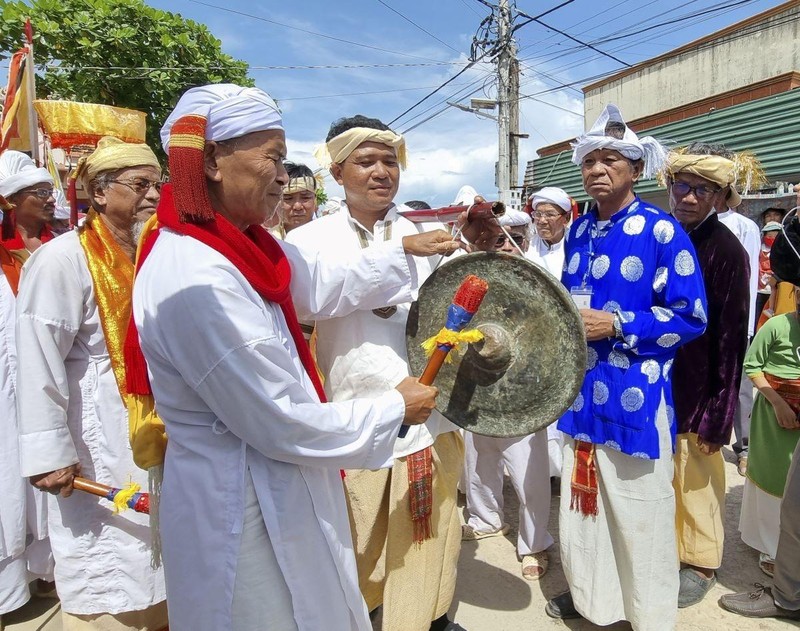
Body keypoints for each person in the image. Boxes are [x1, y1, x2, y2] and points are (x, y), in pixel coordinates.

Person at [128, 85, 474, 631]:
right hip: (239, 502)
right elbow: (279, 418)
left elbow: (322, 285)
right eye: (270, 157)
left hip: (288, 472)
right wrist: (391, 408)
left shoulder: (245, 246)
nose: (283, 175)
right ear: (213, 160)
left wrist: (401, 250)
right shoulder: (197, 275)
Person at [288, 115, 497, 631]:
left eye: (390, 161)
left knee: (434, 525)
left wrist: (481, 256)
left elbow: (460, 307)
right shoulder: (309, 240)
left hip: (432, 406)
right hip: (359, 408)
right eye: (366, 162)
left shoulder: (425, 231)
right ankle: (365, 611)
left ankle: (427, 614)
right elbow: (308, 301)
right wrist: (396, 254)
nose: (382, 172)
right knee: (361, 531)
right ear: (337, 173)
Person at [545, 104, 707, 631]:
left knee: (640, 512)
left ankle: (648, 616)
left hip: (635, 395)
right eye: (589, 160)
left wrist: (617, 325)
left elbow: (691, 317)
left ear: (635, 168)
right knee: (582, 511)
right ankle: (597, 602)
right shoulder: (578, 231)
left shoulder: (662, 232)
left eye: (609, 160)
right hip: (580, 392)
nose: (596, 169)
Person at [15, 136, 168, 630]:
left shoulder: (158, 253)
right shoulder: (63, 259)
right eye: (139, 184)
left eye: (157, 184)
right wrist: (49, 453)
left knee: (164, 566)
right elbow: (36, 360)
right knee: (109, 567)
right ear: (100, 193)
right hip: (94, 435)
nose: (152, 195)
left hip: (157, 431)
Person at [664, 149, 750, 607]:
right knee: (664, 478)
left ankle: (701, 561)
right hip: (658, 383)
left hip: (701, 389)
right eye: (683, 186)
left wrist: (720, 414)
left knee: (697, 477)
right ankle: (668, 550)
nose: (690, 197)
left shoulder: (727, 251)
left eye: (703, 189)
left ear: (719, 197)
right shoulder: (660, 235)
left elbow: (733, 337)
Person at [461, 209, 554, 580]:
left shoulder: (538, 278)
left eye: (509, 238)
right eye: (496, 239)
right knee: (479, 457)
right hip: (479, 385)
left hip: (524, 391)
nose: (504, 245)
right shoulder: (468, 274)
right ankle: (484, 518)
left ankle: (534, 544)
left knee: (529, 471)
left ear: (524, 239)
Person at [692, 142, 762, 476]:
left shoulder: (740, 232)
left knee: (735, 385)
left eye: (706, 183)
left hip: (730, 325)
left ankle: (743, 444)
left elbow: (746, 286)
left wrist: (743, 328)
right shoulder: (675, 228)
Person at [738, 284, 800, 579]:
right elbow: (753, 365)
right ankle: (771, 547)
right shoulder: (776, 325)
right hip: (774, 416)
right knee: (774, 477)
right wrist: (778, 403)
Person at [0, 151, 55, 259]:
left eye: (51, 192)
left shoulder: (60, 243)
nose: (52, 199)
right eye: (42, 193)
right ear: (13, 199)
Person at [524, 186, 572, 278]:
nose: (542, 220)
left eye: (550, 215)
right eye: (538, 214)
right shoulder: (528, 246)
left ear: (566, 219)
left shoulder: (574, 245)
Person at [271, 161, 319, 239]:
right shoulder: (266, 241)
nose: (297, 206)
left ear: (315, 200)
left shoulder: (329, 237)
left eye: (305, 197)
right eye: (288, 198)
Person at [757, 221, 782, 318]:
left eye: (775, 236)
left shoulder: (781, 249)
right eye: (769, 236)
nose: (772, 239)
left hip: (775, 282)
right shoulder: (760, 248)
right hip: (760, 289)